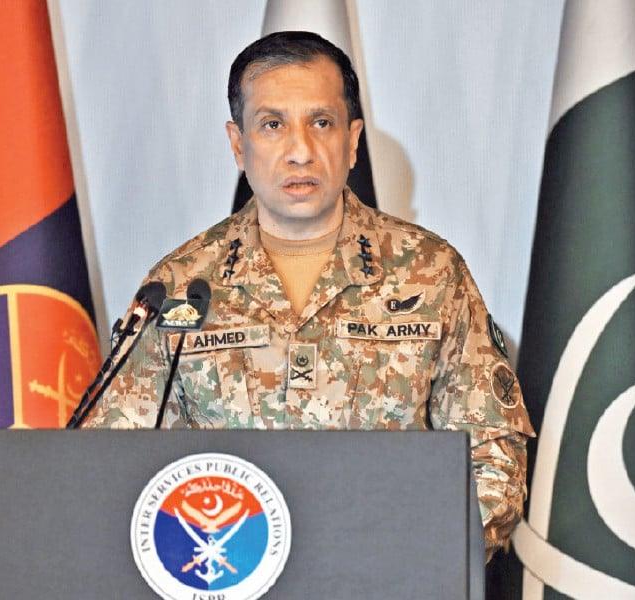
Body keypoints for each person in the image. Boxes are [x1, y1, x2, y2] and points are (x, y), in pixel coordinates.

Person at [82, 30, 535, 561]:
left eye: (321, 122)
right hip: (224, 573)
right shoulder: (179, 286)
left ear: (352, 140)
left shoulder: (431, 274)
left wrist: (405, 561)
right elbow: (113, 462)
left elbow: (493, 459)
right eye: (272, 125)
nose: (300, 151)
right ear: (238, 144)